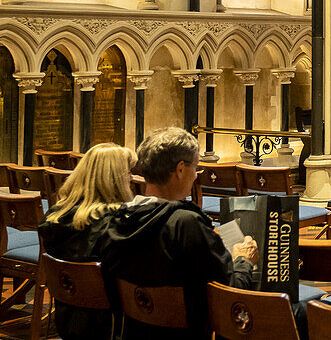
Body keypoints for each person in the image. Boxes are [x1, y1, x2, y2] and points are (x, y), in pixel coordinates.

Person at [98, 127, 259, 340]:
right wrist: (243, 260)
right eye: (196, 168)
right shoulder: (186, 223)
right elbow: (229, 296)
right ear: (180, 169)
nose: (195, 176)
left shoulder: (118, 219)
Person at [38, 142, 137, 340]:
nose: (131, 178)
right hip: (112, 328)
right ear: (114, 179)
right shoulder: (117, 224)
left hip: (67, 322)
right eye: (128, 172)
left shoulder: (55, 215)